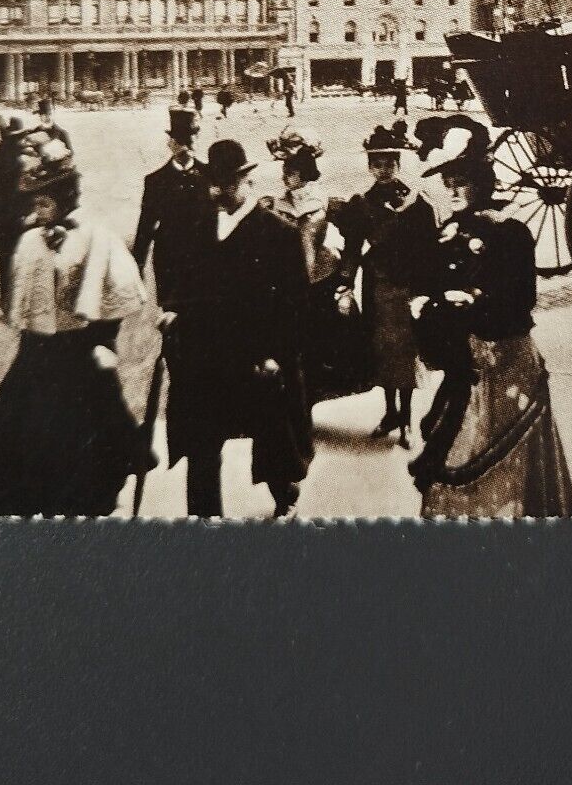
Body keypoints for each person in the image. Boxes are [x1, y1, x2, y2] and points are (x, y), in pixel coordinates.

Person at [0, 139, 151, 517]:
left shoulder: (95, 236)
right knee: (23, 432)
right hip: (38, 353)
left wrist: (105, 340)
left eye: (44, 202)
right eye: (34, 203)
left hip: (81, 351)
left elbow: (114, 290)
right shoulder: (30, 239)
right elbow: (24, 298)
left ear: (65, 199)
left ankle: (82, 503)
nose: (38, 209)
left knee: (84, 435)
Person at [407, 120, 572, 518]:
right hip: (466, 366)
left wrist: (467, 303)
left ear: (483, 183)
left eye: (461, 181)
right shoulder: (448, 232)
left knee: (501, 456)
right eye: (447, 180)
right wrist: (431, 309)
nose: (451, 190)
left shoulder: (511, 232)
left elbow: (520, 302)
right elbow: (428, 290)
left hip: (506, 363)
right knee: (455, 445)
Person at [161, 139, 314, 520]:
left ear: (246, 180)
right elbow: (184, 283)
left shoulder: (278, 233)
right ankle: (204, 518)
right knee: (202, 438)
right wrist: (174, 312)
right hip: (206, 352)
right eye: (214, 182)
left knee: (272, 433)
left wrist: (278, 355)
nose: (218, 191)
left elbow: (296, 305)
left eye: (228, 182)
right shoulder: (198, 228)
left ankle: (284, 493)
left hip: (257, 355)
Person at [337, 125, 435, 446]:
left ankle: (406, 419)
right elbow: (352, 247)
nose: (383, 170)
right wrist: (346, 285)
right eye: (376, 163)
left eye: (389, 163)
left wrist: (423, 290)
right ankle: (389, 411)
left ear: (398, 164)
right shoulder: (362, 204)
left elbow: (425, 249)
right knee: (381, 349)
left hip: (405, 286)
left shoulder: (415, 203)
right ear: (369, 166)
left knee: (404, 352)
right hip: (376, 286)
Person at [269, 125, 366, 405]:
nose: (287, 176)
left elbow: (356, 232)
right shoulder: (274, 206)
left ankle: (311, 398)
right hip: (287, 286)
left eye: (294, 170)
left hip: (322, 281)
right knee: (290, 346)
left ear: (307, 171)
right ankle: (296, 403)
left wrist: (347, 274)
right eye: (285, 170)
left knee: (321, 344)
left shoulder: (325, 202)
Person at [130, 108, 211, 305]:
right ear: (171, 144)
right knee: (170, 318)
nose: (186, 147)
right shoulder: (156, 180)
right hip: (169, 259)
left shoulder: (208, 174)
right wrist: (137, 264)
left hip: (203, 258)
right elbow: (146, 224)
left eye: (190, 140)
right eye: (180, 141)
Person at [0, 114, 34, 308]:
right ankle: (19, 301)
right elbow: (26, 192)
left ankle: (6, 300)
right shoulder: (21, 162)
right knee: (23, 259)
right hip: (18, 220)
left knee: (5, 261)